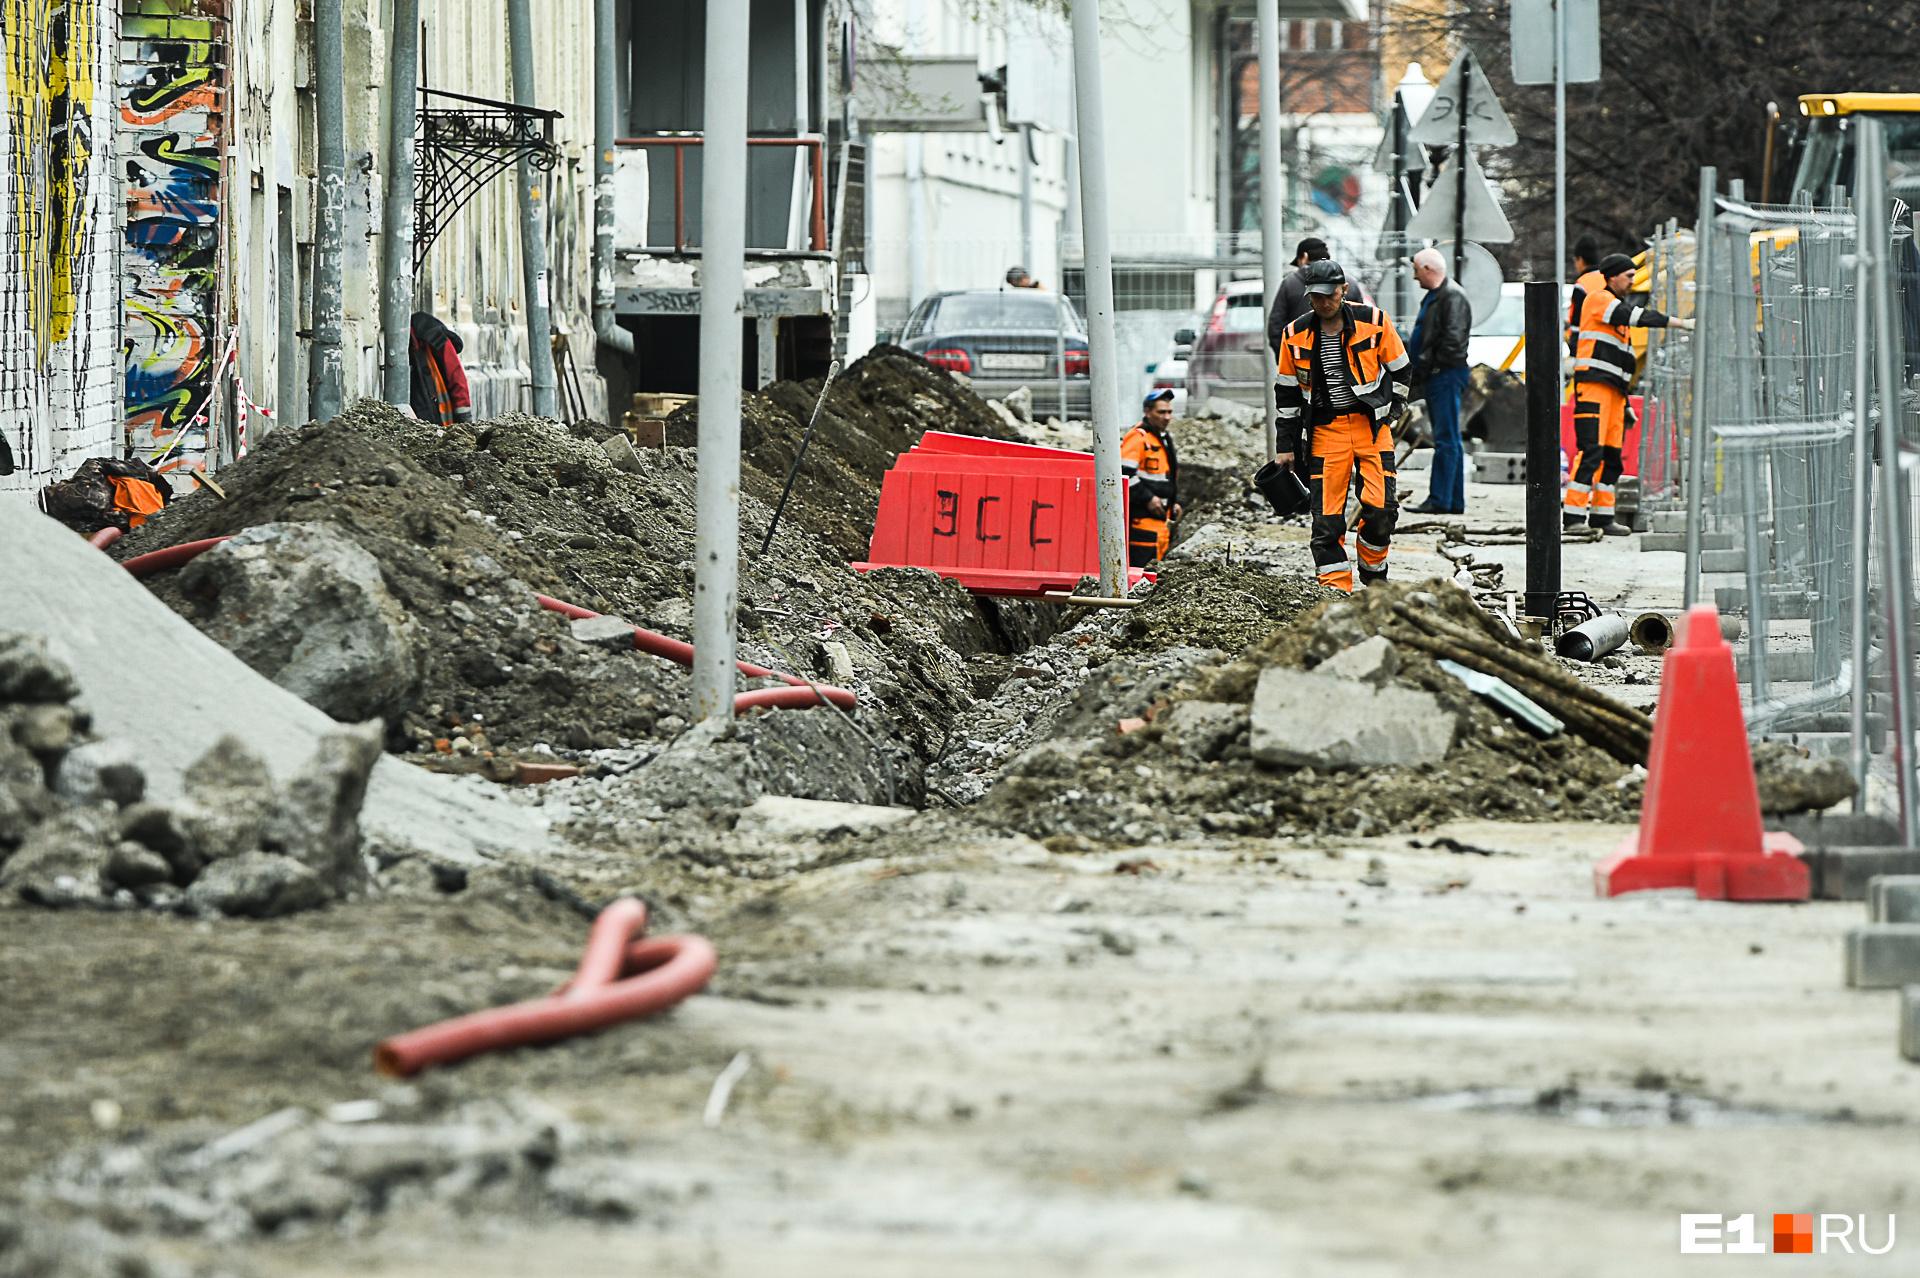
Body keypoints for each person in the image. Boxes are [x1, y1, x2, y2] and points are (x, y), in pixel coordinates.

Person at [1272, 260, 1412, 591]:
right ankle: (1334, 591)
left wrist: (1392, 414)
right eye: (1315, 297)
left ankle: (1373, 570)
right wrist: (1285, 448)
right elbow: (1287, 395)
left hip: (1371, 427)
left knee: (1382, 509)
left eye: (1328, 296)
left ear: (1343, 291)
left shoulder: (1373, 322)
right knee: (1327, 521)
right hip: (1325, 432)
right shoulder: (1294, 335)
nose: (1322, 303)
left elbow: (1402, 372)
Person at [1565, 252, 1692, 533]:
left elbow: (1622, 363)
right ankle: (1573, 517)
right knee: (1591, 452)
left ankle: (1602, 517)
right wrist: (1679, 323)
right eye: (1629, 275)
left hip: (1612, 393)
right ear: (1612, 276)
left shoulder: (1615, 310)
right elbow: (1635, 316)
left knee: (1610, 457)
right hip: (1593, 388)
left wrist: (1624, 404)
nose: (1633, 281)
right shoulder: (1600, 300)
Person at [1405, 247, 1473, 515]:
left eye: (1416, 271)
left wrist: (1430, 367)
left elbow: (1453, 341)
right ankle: (1451, 501)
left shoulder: (1450, 296)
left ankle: (1441, 500)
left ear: (1428, 270)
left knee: (1446, 438)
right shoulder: (1440, 296)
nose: (1414, 277)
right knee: (1449, 438)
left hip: (1445, 374)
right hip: (1442, 373)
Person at [1122, 389, 1182, 567]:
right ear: (1148, 412)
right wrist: (1148, 498)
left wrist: (1173, 502)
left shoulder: (1161, 438)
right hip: (1142, 523)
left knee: (1155, 573)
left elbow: (1165, 478)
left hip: (1160, 523)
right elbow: (1124, 472)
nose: (1167, 417)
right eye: (1161, 412)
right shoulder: (1138, 438)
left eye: (1169, 412)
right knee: (1142, 573)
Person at [1267, 236, 1331, 358]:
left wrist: (1287, 359)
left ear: (1304, 257)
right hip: (1341, 364)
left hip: (1300, 360)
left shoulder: (1289, 284)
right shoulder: (1348, 283)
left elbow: (1275, 327)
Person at [409, 310, 474, 427]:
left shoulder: (432, 335)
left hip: (438, 417)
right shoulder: (416, 336)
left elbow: (456, 376)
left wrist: (464, 420)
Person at [1565, 233, 1603, 356]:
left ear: (1580, 259)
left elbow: (1577, 321)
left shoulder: (1582, 285)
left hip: (1586, 346)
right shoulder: (1607, 279)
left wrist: (1573, 346)